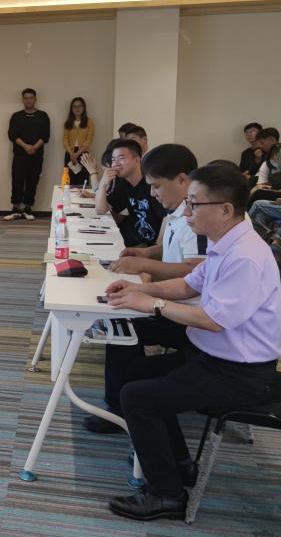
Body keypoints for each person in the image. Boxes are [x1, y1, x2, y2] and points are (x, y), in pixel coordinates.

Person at [104, 164, 281, 520]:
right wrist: (142, 290)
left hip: (240, 374)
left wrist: (152, 304)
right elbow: (189, 284)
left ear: (225, 210)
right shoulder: (227, 241)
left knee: (138, 397)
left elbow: (213, 320)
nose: (186, 211)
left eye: (194, 204)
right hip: (214, 358)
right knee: (136, 375)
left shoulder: (244, 256)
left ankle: (167, 495)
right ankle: (179, 464)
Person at [83, 144, 205, 434]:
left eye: (157, 186)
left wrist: (145, 276)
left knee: (123, 324)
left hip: (192, 314)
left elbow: (194, 271)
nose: (153, 193)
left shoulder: (198, 218)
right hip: (179, 301)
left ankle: (118, 408)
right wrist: (145, 254)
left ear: (182, 179)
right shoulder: (178, 212)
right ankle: (122, 402)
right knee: (122, 319)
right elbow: (169, 250)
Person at [95, 139, 163, 247]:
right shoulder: (123, 184)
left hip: (143, 246)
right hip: (123, 240)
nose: (116, 164)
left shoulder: (152, 184)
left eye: (121, 158)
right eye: (113, 159)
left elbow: (167, 217)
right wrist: (103, 185)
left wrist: (155, 249)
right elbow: (101, 210)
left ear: (137, 160)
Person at [5, 88, 50, 221]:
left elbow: (45, 136)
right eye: (26, 98)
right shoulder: (16, 116)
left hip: (36, 155)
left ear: (35, 99)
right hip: (20, 155)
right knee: (17, 180)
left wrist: (34, 147)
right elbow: (12, 135)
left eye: (31, 98)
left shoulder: (43, 116)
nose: (28, 100)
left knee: (32, 181)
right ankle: (16, 209)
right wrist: (25, 146)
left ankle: (28, 208)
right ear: (23, 100)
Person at [61, 96, 94, 187]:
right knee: (69, 180)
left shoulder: (89, 122)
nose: (77, 108)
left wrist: (78, 153)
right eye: (75, 106)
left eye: (80, 106)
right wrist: (71, 153)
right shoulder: (68, 122)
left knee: (83, 180)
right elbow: (65, 140)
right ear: (71, 108)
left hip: (83, 154)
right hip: (70, 154)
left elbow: (89, 139)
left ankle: (82, 196)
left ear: (84, 108)